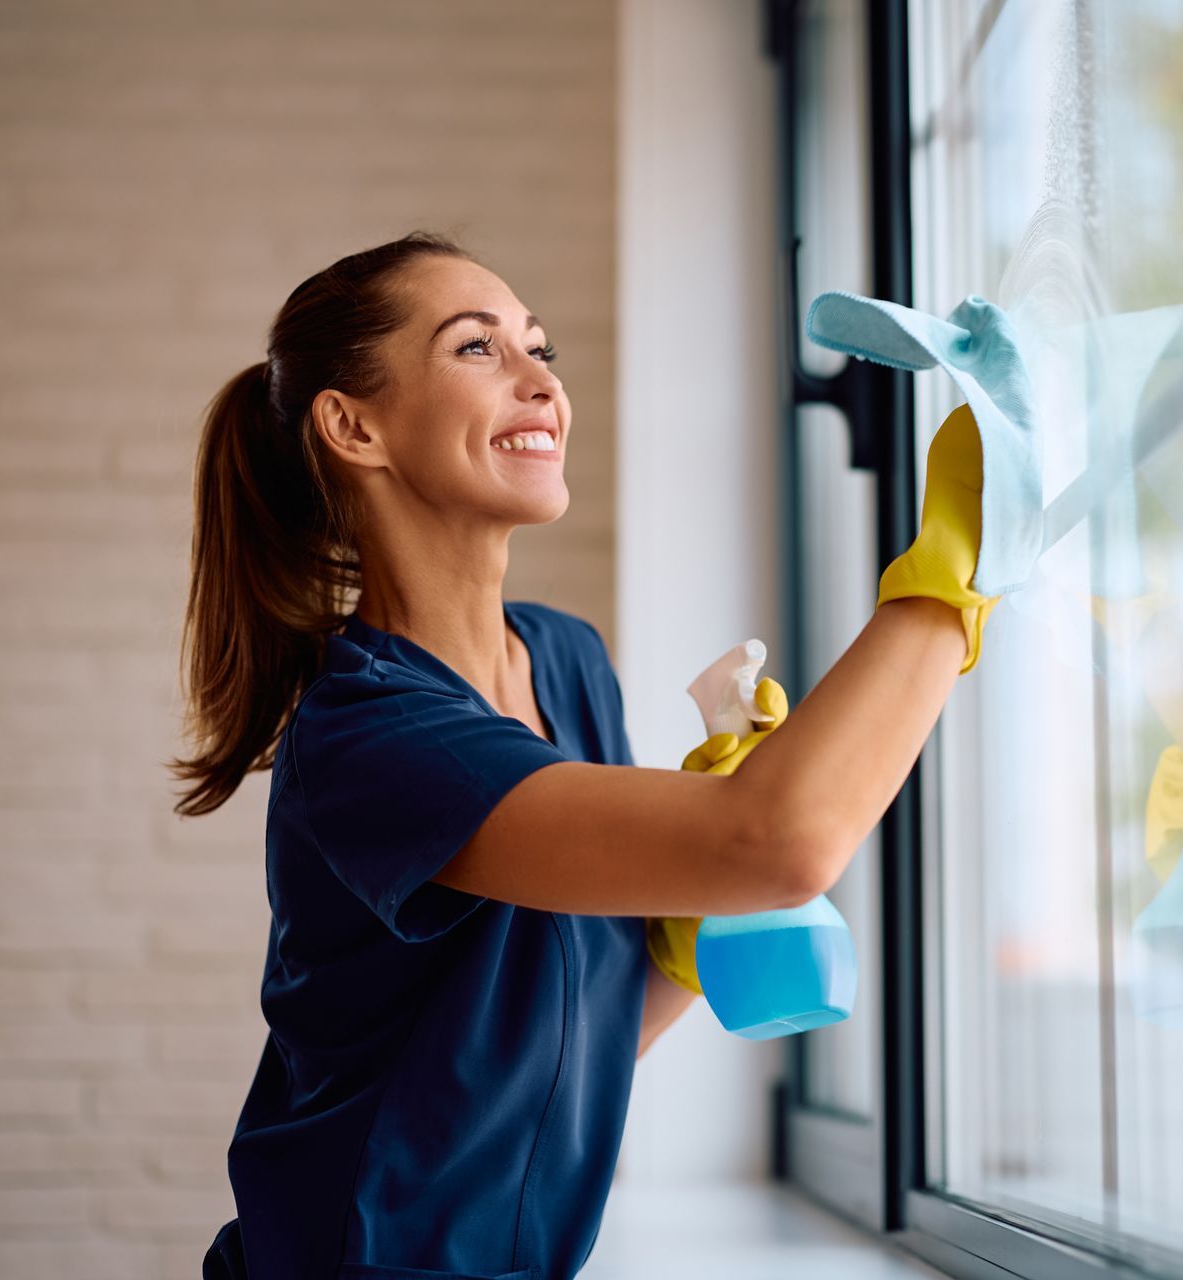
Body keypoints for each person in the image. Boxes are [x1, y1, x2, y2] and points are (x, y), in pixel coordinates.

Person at [173, 231, 994, 1280]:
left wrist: (684, 937)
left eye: (541, 349)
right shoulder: (366, 732)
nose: (542, 384)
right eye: (478, 350)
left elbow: (572, 1037)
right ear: (354, 424)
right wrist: (949, 574)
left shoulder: (567, 660)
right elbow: (783, 840)